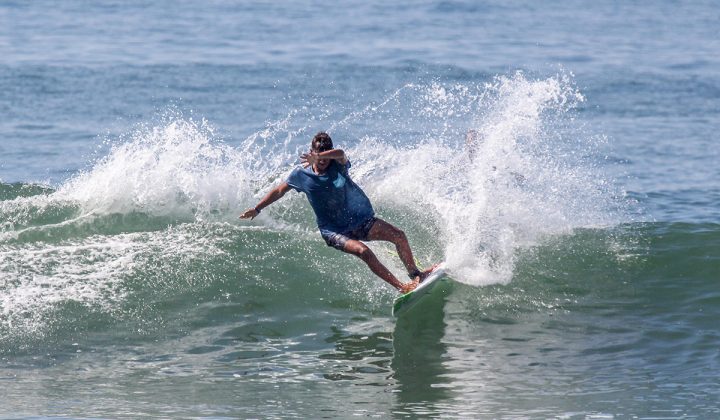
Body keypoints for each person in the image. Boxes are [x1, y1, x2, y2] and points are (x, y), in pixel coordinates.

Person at [240, 132, 436, 293]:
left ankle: (415, 275)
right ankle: (401, 287)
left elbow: (341, 153)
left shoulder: (339, 165)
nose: (323, 159)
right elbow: (279, 190)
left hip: (359, 221)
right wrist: (257, 208)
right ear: (311, 152)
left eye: (326, 154)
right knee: (364, 252)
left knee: (398, 236)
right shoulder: (301, 174)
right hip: (334, 231)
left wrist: (322, 156)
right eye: (318, 153)